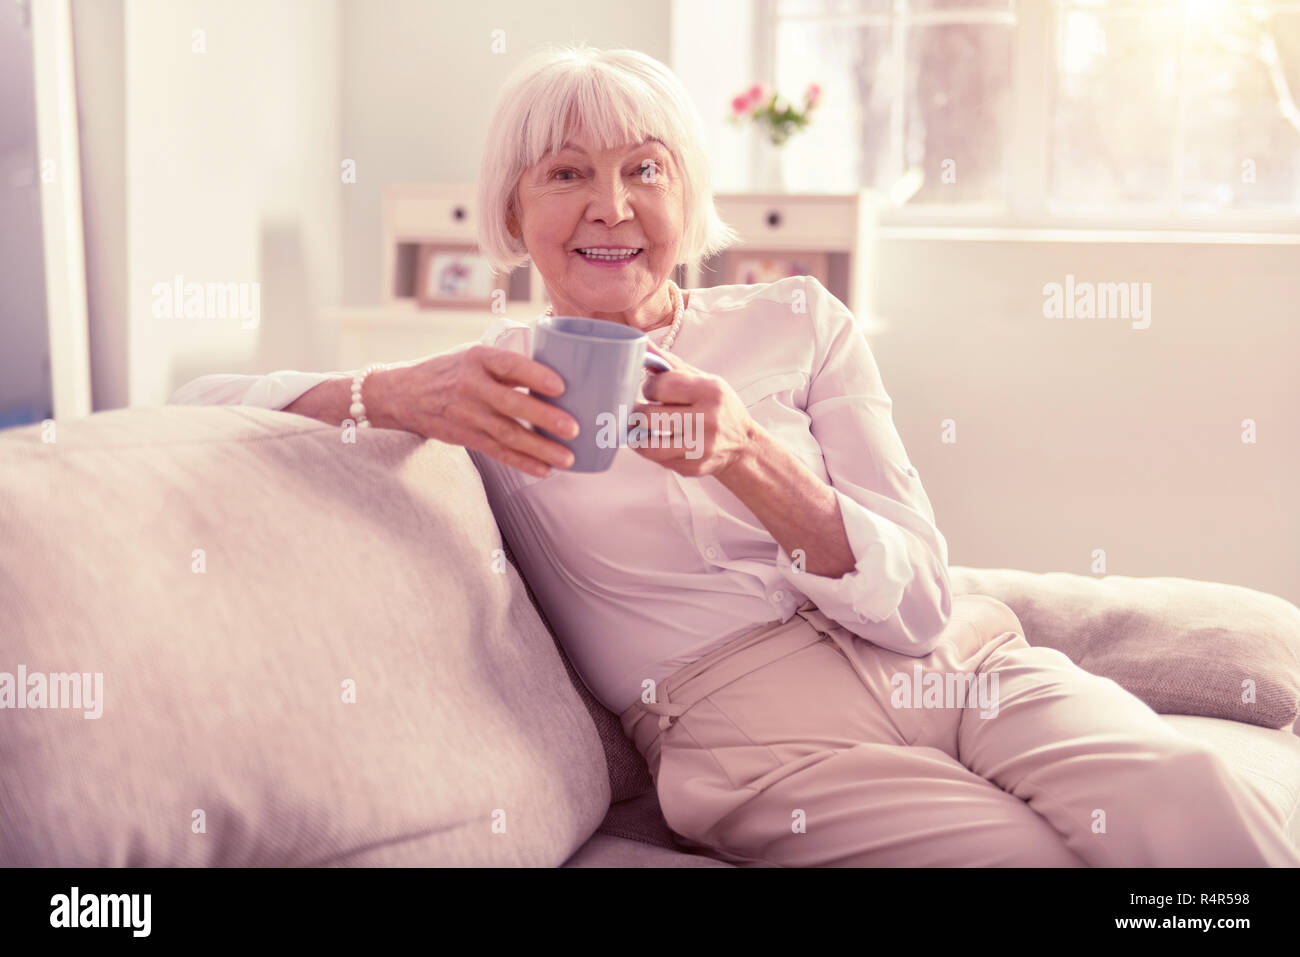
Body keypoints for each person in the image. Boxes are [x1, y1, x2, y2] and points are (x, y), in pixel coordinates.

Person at [170, 44, 1300, 868]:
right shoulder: (489, 388)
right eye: (564, 173)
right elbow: (201, 403)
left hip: (958, 661)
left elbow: (915, 595)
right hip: (753, 737)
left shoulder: (799, 322)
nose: (609, 206)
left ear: (687, 194)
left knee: (1192, 795)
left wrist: (751, 456)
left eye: (643, 169)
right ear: (513, 210)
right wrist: (392, 390)